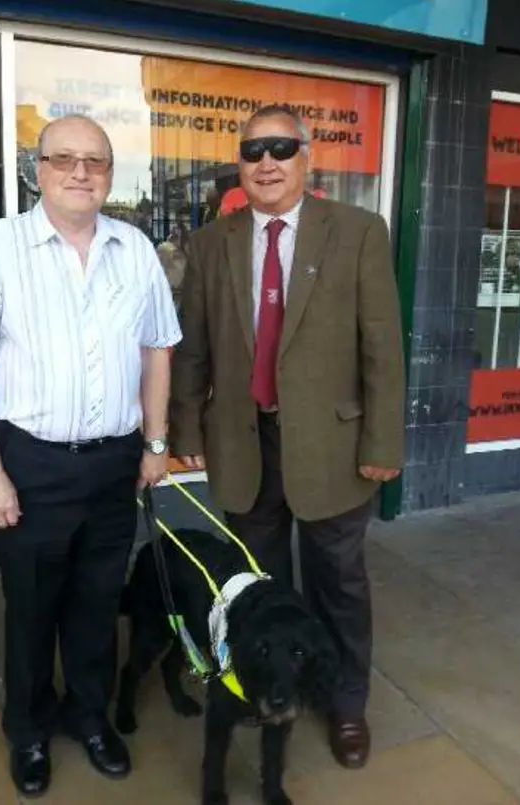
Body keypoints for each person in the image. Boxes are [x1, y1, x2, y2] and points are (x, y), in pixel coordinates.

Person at [0, 115, 181, 797]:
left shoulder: (135, 250)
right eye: (64, 158)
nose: (81, 171)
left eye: (95, 161)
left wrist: (156, 442)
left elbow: (159, 349)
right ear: (35, 169)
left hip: (113, 462)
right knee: (32, 607)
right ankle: (29, 730)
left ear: (109, 174)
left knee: (98, 602)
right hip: (31, 464)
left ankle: (90, 716)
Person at [169, 104, 405, 771]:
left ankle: (345, 703)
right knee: (258, 584)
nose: (266, 161)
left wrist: (384, 442)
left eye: (280, 148)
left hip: (333, 447)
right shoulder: (213, 241)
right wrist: (184, 425)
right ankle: (265, 686)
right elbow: (193, 348)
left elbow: (382, 347)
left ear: (307, 159)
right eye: (252, 150)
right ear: (240, 164)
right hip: (242, 444)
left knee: (339, 582)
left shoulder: (358, 231)